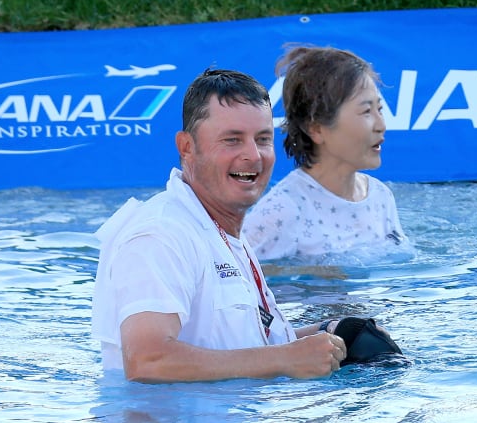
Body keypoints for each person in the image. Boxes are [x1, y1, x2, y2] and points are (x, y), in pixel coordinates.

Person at [91, 67, 349, 382]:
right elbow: (148, 360)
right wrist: (284, 358)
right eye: (232, 140)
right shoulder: (160, 234)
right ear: (186, 147)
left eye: (263, 139)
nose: (253, 156)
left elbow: (244, 346)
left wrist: (331, 334)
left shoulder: (219, 230)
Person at [244, 45, 409, 263]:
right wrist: (312, 274)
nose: (381, 125)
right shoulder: (283, 211)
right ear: (317, 128)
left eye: (380, 109)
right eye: (366, 111)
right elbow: (233, 274)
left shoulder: (381, 197)